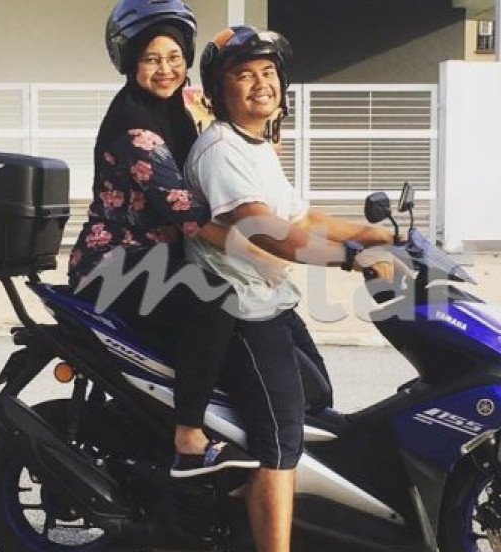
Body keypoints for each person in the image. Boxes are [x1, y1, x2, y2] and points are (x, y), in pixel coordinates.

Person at [186, 26, 396, 552]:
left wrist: (374, 234)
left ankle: (236, 512)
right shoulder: (221, 150)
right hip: (239, 311)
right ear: (218, 91)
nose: (261, 83)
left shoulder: (253, 144)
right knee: (279, 443)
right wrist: (350, 258)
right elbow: (265, 230)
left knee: (315, 400)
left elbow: (301, 218)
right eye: (244, 74)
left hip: (268, 301)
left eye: (268, 71)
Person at [69, 0, 272, 478]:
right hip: (113, 266)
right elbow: (193, 218)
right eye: (152, 59)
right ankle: (188, 436)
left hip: (158, 259)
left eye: (175, 57)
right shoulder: (136, 129)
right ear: (129, 61)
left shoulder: (180, 107)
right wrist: (267, 255)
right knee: (217, 301)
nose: (166, 69)